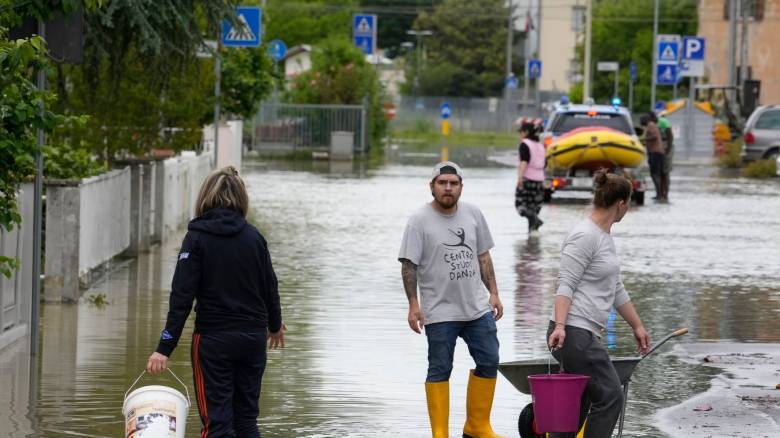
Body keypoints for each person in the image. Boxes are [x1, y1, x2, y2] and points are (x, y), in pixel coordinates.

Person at [146, 166, 286, 438]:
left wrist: (164, 347)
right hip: (252, 340)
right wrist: (275, 325)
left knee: (217, 425)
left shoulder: (196, 238)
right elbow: (271, 286)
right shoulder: (254, 237)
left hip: (214, 341)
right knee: (246, 421)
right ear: (242, 198)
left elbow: (181, 297)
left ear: (204, 197)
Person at [398, 161, 506, 438]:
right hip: (439, 310)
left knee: (489, 360)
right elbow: (408, 265)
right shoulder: (418, 220)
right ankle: (440, 433)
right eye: (442, 183)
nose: (448, 188)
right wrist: (413, 305)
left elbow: (483, 256)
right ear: (432, 186)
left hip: (476, 308)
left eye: (453, 183)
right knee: (440, 369)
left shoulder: (473, 214)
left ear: (461, 187)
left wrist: (493, 292)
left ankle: (477, 427)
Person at [546, 170, 652, 438]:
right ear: (621, 204)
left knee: (577, 403)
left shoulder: (604, 237)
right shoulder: (584, 235)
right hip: (572, 332)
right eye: (629, 204)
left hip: (582, 333)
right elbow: (565, 284)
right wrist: (560, 326)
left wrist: (637, 326)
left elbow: (615, 288)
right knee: (611, 396)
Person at [515, 122, 546, 232]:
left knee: (521, 207)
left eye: (521, 132)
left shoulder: (525, 144)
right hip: (540, 181)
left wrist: (520, 177)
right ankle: (532, 238)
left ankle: (536, 221)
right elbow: (544, 164)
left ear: (526, 132)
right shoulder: (541, 145)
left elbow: (524, 161)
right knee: (534, 208)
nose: (520, 134)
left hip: (527, 179)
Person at [640, 114, 665, 201]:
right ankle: (659, 193)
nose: (640, 123)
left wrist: (644, 139)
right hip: (656, 152)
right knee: (655, 173)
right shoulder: (652, 125)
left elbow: (654, 136)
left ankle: (659, 194)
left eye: (641, 121)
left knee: (654, 174)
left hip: (655, 152)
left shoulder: (650, 125)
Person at [653, 112, 674, 201]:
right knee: (659, 172)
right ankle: (660, 194)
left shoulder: (663, 122)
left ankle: (665, 195)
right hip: (659, 148)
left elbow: (670, 136)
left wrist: (668, 149)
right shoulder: (652, 124)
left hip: (666, 147)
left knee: (665, 172)